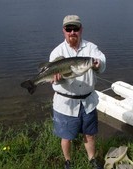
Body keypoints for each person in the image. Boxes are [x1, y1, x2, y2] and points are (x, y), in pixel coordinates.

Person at [49, 15, 106, 169]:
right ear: (64, 31)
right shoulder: (57, 52)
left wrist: (98, 64)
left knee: (90, 134)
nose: (72, 32)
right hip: (65, 104)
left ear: (81, 30)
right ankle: (68, 161)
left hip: (88, 102)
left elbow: (102, 63)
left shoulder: (91, 48)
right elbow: (54, 77)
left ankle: (92, 159)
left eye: (76, 28)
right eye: (69, 29)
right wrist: (57, 79)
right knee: (66, 137)